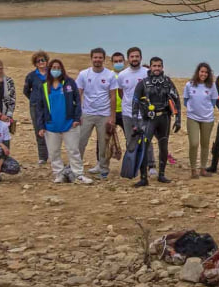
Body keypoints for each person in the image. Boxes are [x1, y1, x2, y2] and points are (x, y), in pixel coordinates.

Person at [35, 59, 92, 184]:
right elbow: (39, 107)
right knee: (54, 152)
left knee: (73, 150)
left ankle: (78, 174)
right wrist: (40, 126)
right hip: (51, 125)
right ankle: (59, 174)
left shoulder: (69, 83)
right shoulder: (43, 85)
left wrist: (77, 118)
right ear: (49, 69)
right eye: (53, 67)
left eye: (58, 67)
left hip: (69, 124)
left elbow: (77, 100)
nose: (56, 70)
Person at [132, 57, 181, 186]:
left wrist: (178, 119)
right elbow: (135, 102)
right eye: (154, 66)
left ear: (162, 67)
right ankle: (143, 178)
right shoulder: (143, 83)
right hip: (149, 119)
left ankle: (162, 175)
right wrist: (135, 122)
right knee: (144, 146)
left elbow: (176, 100)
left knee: (163, 147)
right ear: (150, 67)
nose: (157, 68)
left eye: (159, 66)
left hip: (164, 117)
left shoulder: (167, 82)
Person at [76, 47, 118, 179]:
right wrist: (77, 114)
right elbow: (79, 94)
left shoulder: (110, 75)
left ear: (104, 59)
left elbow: (113, 97)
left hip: (104, 115)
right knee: (80, 142)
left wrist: (112, 117)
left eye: (100, 57)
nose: (97, 60)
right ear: (91, 58)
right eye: (95, 57)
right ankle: (77, 168)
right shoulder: (83, 74)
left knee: (104, 143)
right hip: (87, 114)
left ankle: (104, 169)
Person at [117, 47, 153, 176]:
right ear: (128, 59)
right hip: (127, 113)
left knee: (147, 139)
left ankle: (151, 165)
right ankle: (133, 164)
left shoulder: (147, 73)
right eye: (132, 57)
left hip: (144, 113)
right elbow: (121, 93)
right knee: (131, 140)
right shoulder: (122, 75)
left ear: (141, 58)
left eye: (137, 56)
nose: (134, 59)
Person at [184, 62, 219, 178]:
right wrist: (193, 109)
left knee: (205, 143)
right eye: (201, 71)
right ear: (198, 72)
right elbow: (185, 100)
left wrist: (206, 110)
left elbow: (214, 101)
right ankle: (193, 169)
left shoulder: (211, 86)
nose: (203, 74)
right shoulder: (189, 84)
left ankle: (203, 169)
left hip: (207, 119)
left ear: (208, 74)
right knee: (194, 143)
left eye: (206, 72)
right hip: (192, 118)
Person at [23, 50, 50, 165]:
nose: (41, 62)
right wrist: (35, 100)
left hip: (51, 105)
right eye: (38, 61)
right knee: (39, 130)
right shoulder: (31, 76)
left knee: (52, 129)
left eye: (43, 60)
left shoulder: (52, 73)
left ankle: (53, 154)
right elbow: (26, 91)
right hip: (35, 106)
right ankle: (43, 157)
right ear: (35, 63)